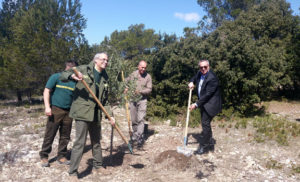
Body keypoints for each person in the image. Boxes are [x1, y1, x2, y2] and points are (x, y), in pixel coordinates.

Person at [60, 53, 115, 180]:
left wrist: (110, 116)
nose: (106, 62)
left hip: (96, 114)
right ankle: (73, 172)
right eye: (103, 59)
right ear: (96, 60)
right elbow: (63, 75)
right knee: (80, 143)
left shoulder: (105, 77)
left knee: (96, 142)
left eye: (107, 60)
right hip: (82, 113)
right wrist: (73, 76)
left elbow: (104, 101)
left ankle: (98, 166)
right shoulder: (83, 69)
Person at [39, 60, 78, 167]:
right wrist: (47, 107)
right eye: (69, 67)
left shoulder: (75, 81)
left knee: (65, 135)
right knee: (50, 133)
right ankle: (44, 156)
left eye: (73, 67)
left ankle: (61, 156)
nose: (71, 68)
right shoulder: (56, 77)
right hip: (56, 109)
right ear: (66, 67)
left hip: (69, 111)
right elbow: (47, 91)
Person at [188, 59, 222, 155]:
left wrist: (196, 104)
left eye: (205, 67)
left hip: (211, 104)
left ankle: (205, 146)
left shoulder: (212, 78)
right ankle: (209, 140)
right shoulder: (200, 73)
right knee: (205, 124)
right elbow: (194, 77)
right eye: (201, 67)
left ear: (209, 67)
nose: (203, 69)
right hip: (204, 103)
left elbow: (208, 95)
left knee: (205, 123)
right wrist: (191, 82)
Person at [125, 60, 152, 148]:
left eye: (145, 68)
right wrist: (126, 87)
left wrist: (140, 92)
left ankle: (140, 137)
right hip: (133, 100)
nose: (143, 69)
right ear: (138, 66)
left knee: (141, 119)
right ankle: (135, 135)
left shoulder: (148, 77)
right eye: (142, 67)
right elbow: (126, 81)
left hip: (142, 100)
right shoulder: (133, 74)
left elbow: (149, 89)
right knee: (133, 119)